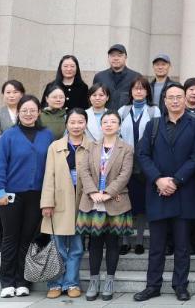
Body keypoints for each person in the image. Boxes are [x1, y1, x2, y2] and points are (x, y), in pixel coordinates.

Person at [133, 82, 195, 302]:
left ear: (185, 100)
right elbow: (142, 155)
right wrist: (158, 179)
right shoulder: (153, 125)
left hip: (184, 193)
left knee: (183, 246)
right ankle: (152, 285)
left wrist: (175, 180)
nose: (175, 101)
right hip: (158, 193)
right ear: (164, 101)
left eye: (178, 97)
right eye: (170, 97)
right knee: (156, 246)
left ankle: (180, 285)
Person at [0, 95, 55, 298]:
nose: (28, 114)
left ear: (39, 112)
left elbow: (52, 166)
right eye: (24, 110)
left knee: (27, 238)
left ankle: (23, 281)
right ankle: (7, 282)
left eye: (32, 110)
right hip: (11, 195)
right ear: (18, 112)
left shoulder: (47, 135)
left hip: (36, 195)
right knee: (10, 238)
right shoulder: (9, 136)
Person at [76, 110, 135, 302]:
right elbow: (83, 170)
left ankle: (109, 280)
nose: (109, 125)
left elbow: (125, 174)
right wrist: (92, 192)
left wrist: (108, 193)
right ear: (101, 126)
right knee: (94, 243)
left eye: (113, 122)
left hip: (114, 201)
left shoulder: (126, 148)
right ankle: (94, 282)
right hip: (92, 201)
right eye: (105, 122)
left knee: (112, 243)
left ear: (119, 126)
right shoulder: (91, 146)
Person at [40, 108, 90, 299]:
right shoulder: (55, 146)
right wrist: (47, 203)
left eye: (80, 122)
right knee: (57, 247)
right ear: (66, 124)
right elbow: (49, 176)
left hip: (81, 203)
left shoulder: (93, 146)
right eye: (72, 122)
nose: (76, 126)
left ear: (86, 124)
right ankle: (55, 284)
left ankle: (71, 283)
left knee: (77, 248)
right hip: (59, 202)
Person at [117, 81, 161, 257]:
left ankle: (140, 241)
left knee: (141, 204)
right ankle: (125, 241)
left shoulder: (154, 111)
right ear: (131, 91)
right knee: (124, 202)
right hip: (125, 161)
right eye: (135, 88)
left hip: (145, 162)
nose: (139, 91)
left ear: (147, 92)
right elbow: (117, 134)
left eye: (142, 88)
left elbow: (157, 135)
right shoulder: (123, 110)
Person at [0, 79, 24, 252]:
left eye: (15, 92)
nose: (12, 95)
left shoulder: (27, 111)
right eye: (8, 92)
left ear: (22, 94)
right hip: (1, 163)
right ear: (3, 95)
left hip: (21, 166)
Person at [92, 44, 140, 111]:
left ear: (125, 57)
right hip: (104, 116)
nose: (116, 58)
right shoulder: (99, 77)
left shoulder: (136, 77)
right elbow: (93, 99)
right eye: (112, 55)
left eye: (119, 55)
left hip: (127, 116)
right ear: (108, 58)